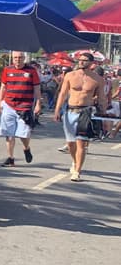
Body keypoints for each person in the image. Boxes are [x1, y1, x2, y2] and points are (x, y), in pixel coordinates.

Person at [55, 52, 107, 181]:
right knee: (70, 143)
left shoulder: (97, 79)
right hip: (70, 111)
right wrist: (57, 110)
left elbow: (102, 98)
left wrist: (103, 113)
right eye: (80, 60)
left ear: (91, 63)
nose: (81, 62)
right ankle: (75, 161)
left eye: (85, 60)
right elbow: (62, 94)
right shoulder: (70, 75)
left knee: (81, 143)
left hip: (86, 112)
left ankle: (77, 171)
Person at [0, 51, 41, 167]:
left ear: (24, 58)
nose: (18, 60)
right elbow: (3, 87)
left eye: (20, 57)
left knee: (23, 134)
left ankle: (26, 148)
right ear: (12, 58)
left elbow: (37, 88)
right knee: (9, 134)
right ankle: (10, 159)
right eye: (15, 58)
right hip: (9, 105)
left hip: (25, 106)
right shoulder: (7, 70)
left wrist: (38, 104)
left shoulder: (31, 71)